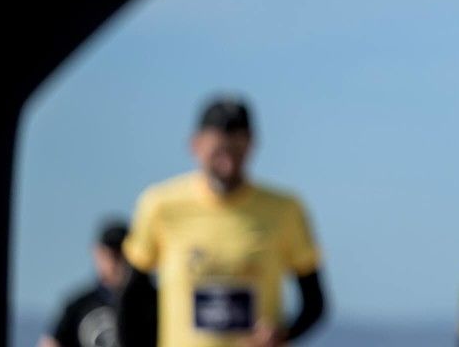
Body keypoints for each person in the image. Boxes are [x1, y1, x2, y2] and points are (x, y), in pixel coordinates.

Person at [118, 96, 327, 347]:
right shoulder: (160, 205)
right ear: (195, 145)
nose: (227, 163)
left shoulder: (285, 209)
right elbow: (131, 298)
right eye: (219, 151)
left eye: (236, 151)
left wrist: (282, 333)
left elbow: (315, 303)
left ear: (251, 144)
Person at [39, 220, 138, 347]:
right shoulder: (78, 307)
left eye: (122, 255)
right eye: (111, 255)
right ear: (97, 253)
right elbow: (51, 342)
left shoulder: (149, 304)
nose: (115, 263)